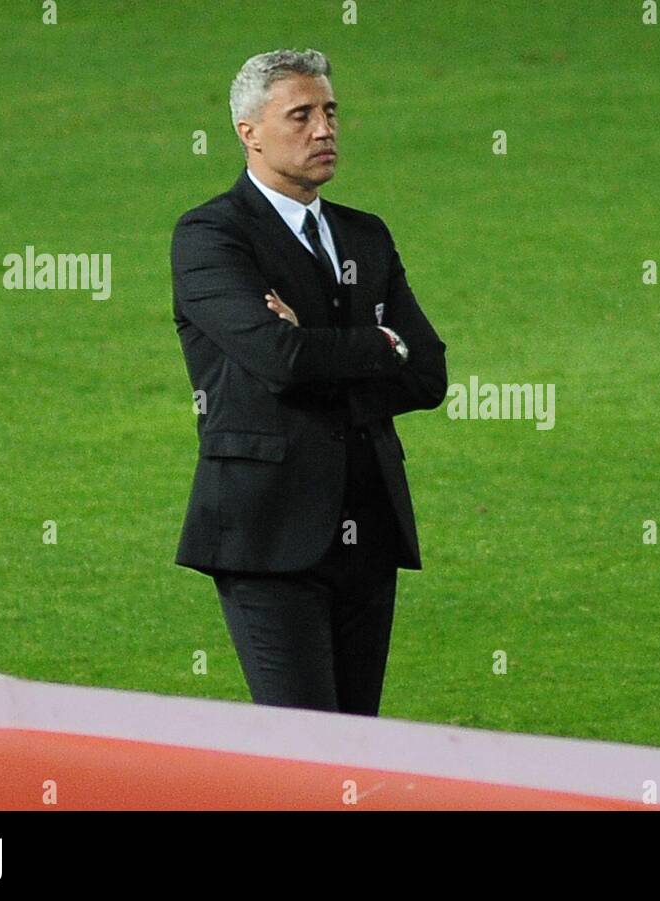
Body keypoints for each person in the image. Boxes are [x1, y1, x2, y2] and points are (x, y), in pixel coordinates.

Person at [170, 48, 447, 716]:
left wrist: (322, 346)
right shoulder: (211, 236)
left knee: (357, 742)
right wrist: (376, 345)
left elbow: (428, 371)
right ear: (250, 132)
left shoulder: (366, 235)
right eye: (301, 115)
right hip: (267, 533)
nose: (324, 130)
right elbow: (277, 356)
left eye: (329, 112)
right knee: (303, 749)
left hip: (369, 523)